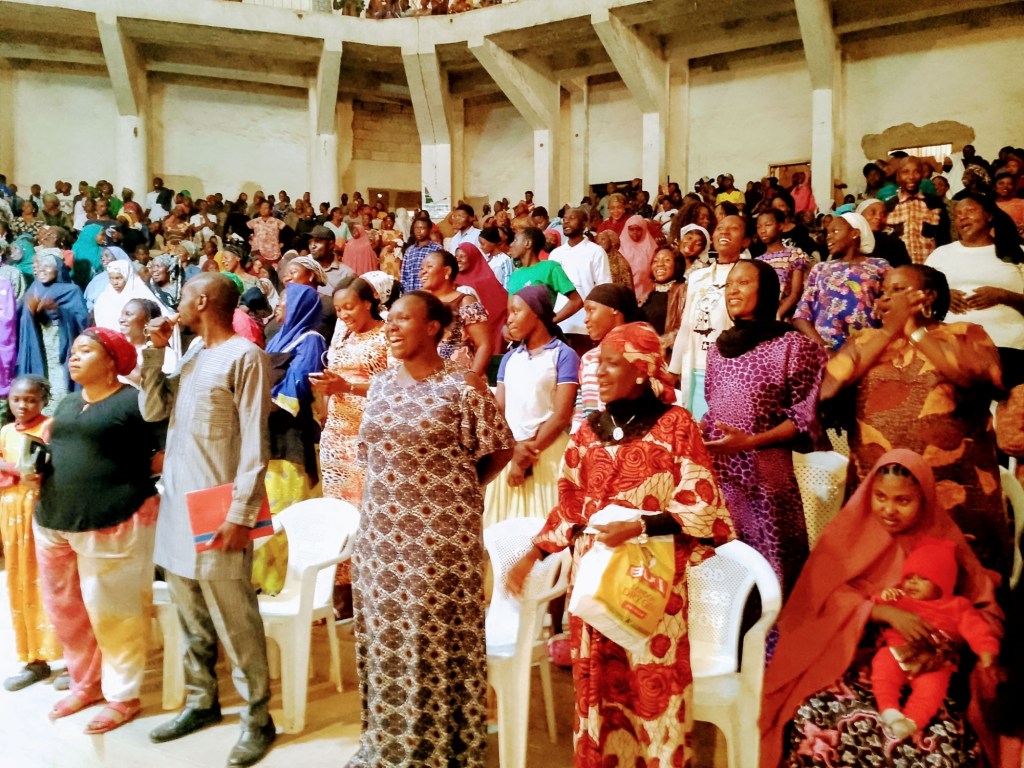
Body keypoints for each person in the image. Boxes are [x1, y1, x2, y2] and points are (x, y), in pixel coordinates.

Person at [507, 321, 733, 768]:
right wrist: (532, 556)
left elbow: (702, 502)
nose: (600, 373)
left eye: (612, 364)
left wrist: (639, 527)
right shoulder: (588, 431)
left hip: (651, 585)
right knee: (599, 689)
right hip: (593, 584)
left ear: (642, 370)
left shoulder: (676, 426)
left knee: (653, 686)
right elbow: (570, 506)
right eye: (599, 364)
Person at [349, 290, 514, 768]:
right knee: (384, 639)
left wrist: (451, 493)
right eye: (390, 319)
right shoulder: (380, 385)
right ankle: (386, 746)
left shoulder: (463, 387)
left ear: (434, 327)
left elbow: (500, 449)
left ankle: (439, 751)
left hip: (438, 541)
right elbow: (371, 457)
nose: (392, 327)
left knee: (431, 642)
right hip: (379, 539)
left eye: (404, 319)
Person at [760, 450, 1002, 768]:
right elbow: (817, 602)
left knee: (940, 740)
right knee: (815, 714)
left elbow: (983, 609)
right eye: (880, 497)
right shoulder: (846, 536)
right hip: (851, 662)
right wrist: (880, 612)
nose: (889, 509)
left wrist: (946, 640)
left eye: (903, 501)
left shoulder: (943, 542)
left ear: (924, 499)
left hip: (931, 672)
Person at [140, 273, 277, 767]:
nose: (175, 304)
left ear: (201, 301)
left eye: (182, 296)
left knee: (236, 619)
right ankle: (202, 702)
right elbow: (153, 410)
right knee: (191, 616)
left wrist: (242, 513)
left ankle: (258, 719)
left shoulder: (246, 356)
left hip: (220, 506)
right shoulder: (194, 352)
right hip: (178, 503)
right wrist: (154, 354)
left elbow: (255, 443)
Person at [820, 263, 1009, 577]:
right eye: (884, 292)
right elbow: (830, 387)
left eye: (898, 290)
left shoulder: (964, 334)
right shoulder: (865, 340)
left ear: (929, 296)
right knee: (879, 582)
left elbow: (971, 376)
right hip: (881, 490)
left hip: (953, 490)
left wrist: (914, 332)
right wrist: (888, 333)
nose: (887, 297)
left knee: (949, 582)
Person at [34, 328, 162, 733]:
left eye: (85, 351)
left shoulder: (134, 402)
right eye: (72, 351)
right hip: (54, 517)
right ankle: (85, 683)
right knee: (67, 610)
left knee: (115, 612)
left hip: (114, 517)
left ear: (111, 361)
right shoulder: (69, 403)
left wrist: (128, 481)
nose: (73, 357)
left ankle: (123, 695)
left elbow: (164, 454)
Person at [702, 260, 827, 600]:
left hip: (767, 477)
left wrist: (752, 441)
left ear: (768, 291)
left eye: (743, 283)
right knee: (727, 568)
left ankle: (777, 633)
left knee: (772, 567)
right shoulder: (718, 349)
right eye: (729, 284)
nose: (733, 290)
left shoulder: (793, 346)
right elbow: (713, 408)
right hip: (724, 475)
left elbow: (804, 419)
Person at [310, 278, 390, 617]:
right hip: (337, 436)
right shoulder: (344, 337)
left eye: (350, 307)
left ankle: (373, 591)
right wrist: (325, 394)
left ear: (368, 303)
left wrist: (348, 387)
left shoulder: (386, 337)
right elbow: (336, 378)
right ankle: (342, 595)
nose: (344, 315)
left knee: (368, 514)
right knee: (338, 515)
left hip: (369, 437)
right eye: (339, 309)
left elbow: (393, 388)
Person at [870, 537, 1001, 740]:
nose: (912, 582)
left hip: (935, 660)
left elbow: (977, 629)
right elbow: (874, 606)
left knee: (932, 688)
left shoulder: (958, 606)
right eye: (909, 577)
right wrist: (884, 597)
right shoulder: (901, 598)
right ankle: (889, 709)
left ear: (942, 584)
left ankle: (912, 722)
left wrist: (987, 650)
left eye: (922, 578)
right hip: (898, 650)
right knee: (883, 664)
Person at [251, 283, 326, 596]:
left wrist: (254, 404)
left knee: (286, 512)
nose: (278, 307)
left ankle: (286, 586)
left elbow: (297, 388)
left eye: (284, 302)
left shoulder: (311, 340)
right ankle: (263, 580)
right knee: (265, 512)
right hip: (267, 433)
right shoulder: (276, 338)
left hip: (291, 435)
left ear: (299, 306)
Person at [484, 285, 579, 527]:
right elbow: (500, 410)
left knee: (544, 524)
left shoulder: (563, 355)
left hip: (545, 453)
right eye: (509, 312)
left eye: (516, 311)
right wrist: (513, 452)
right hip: (511, 452)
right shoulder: (510, 358)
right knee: (502, 527)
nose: (509, 319)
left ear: (537, 313)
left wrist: (526, 455)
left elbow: (561, 415)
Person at [926, 193, 1024, 389]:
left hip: (1008, 346)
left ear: (989, 216)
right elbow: (918, 296)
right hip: (952, 348)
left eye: (969, 211)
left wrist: (1004, 296)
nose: (962, 217)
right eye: (957, 214)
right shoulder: (941, 254)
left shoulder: (1016, 252)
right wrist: (943, 297)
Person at [0, 375, 60, 692]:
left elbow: (48, 469)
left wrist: (12, 470)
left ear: (43, 401)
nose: (23, 405)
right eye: (17, 399)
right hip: (10, 515)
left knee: (48, 581)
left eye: (31, 400)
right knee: (19, 581)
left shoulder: (49, 427)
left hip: (40, 512)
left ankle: (70, 657)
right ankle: (33, 658)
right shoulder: (6, 432)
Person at [668, 215, 749, 418]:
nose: (725, 232)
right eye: (720, 228)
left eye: (734, 228)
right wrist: (673, 371)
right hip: (697, 368)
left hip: (733, 372)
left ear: (746, 241)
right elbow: (686, 326)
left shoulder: (753, 276)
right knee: (696, 428)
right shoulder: (698, 277)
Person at [792, 211, 889, 353]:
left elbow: (893, 307)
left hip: (866, 351)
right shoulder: (820, 269)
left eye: (835, 231)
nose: (828, 236)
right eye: (827, 232)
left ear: (855, 233)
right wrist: (825, 348)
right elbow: (801, 316)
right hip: (824, 353)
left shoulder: (879, 266)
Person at [16, 251, 89, 415]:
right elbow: (21, 314)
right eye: (39, 267)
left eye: (47, 266)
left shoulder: (72, 291)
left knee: (60, 379)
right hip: (37, 342)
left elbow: (82, 321)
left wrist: (59, 312)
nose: (42, 270)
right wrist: (31, 312)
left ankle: (60, 413)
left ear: (58, 269)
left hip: (61, 343)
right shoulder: (34, 288)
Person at [572, 283, 638, 434]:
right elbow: (582, 402)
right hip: (591, 440)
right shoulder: (588, 358)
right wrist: (576, 434)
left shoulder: (638, 354)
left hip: (629, 437)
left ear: (614, 309)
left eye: (591, 310)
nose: (585, 320)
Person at [419, 250, 492, 377]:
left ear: (447, 271)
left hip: (460, 378)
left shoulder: (465, 302)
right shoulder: (419, 303)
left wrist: (472, 378)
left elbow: (484, 345)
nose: (422, 272)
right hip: (426, 378)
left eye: (429, 266)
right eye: (421, 268)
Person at [549, 208, 612, 355]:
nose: (566, 222)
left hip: (585, 324)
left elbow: (604, 288)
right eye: (564, 219)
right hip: (560, 323)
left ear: (584, 224)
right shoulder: (556, 254)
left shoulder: (595, 251)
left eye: (572, 218)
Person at [454, 241, 509, 377]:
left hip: (484, 332)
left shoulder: (486, 278)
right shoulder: (453, 280)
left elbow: (500, 305)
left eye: (462, 256)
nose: (458, 260)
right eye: (456, 257)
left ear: (472, 257)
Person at [886, 156, 949, 264]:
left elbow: (944, 241)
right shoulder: (889, 207)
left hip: (929, 269)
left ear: (922, 175)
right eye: (905, 172)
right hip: (900, 270)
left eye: (916, 172)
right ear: (898, 176)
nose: (911, 177)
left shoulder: (935, 204)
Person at [754, 209, 809, 318]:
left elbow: (795, 293)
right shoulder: (757, 261)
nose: (763, 230)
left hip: (784, 314)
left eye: (768, 225)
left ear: (780, 226)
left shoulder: (794, 254)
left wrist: (778, 314)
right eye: (759, 227)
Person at [92, 260, 163, 331]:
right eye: (111, 278)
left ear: (127, 276)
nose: (115, 282)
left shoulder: (141, 295)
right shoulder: (104, 297)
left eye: (118, 278)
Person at [856, 197, 911, 267]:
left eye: (883, 215)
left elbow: (905, 270)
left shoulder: (894, 244)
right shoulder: (851, 240)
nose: (878, 217)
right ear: (859, 215)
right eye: (872, 213)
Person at [617, 214, 658, 300]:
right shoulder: (620, 247)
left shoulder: (652, 247)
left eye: (638, 229)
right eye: (631, 229)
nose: (635, 232)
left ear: (644, 229)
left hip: (648, 291)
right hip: (625, 292)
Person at [400, 217, 441, 292]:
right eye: (416, 228)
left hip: (428, 293)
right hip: (410, 293)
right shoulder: (409, 251)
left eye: (422, 228)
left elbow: (439, 273)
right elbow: (404, 275)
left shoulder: (436, 249)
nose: (418, 231)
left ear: (429, 230)